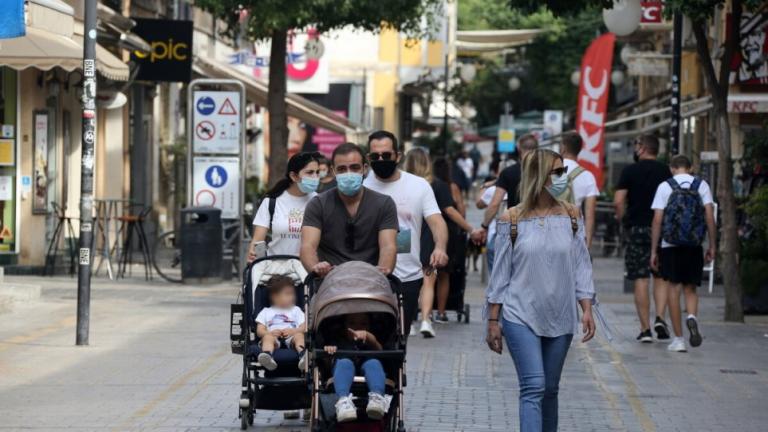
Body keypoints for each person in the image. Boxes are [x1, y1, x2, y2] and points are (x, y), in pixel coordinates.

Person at [485, 149, 596, 432]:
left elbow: (581, 265)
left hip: (560, 315)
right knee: (534, 385)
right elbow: (499, 275)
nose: (563, 178)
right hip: (519, 314)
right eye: (556, 172)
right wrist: (493, 320)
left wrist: (587, 308)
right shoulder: (511, 219)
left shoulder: (572, 215)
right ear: (538, 176)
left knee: (550, 389)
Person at [363, 131, 449, 337]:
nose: (381, 160)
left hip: (408, 277)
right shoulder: (361, 186)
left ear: (398, 156)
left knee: (399, 341)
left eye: (386, 155)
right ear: (368, 158)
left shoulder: (418, 186)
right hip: (369, 276)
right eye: (375, 156)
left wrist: (440, 247)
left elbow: (437, 221)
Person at [300, 143, 398, 277]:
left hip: (371, 283)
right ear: (333, 171)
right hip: (330, 284)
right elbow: (308, 246)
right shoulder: (318, 204)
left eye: (354, 167)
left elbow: (388, 246)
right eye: (342, 169)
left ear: (364, 169)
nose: (348, 173)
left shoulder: (384, 203)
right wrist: (315, 267)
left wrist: (382, 270)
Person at [650, 155, 716, 353]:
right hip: (694, 245)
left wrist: (654, 250)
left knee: (673, 289)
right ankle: (692, 317)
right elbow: (710, 217)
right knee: (690, 289)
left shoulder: (665, 186)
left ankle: (679, 340)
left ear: (672, 168)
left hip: (670, 245)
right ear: (691, 167)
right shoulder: (702, 185)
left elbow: (657, 220)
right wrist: (712, 245)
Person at [614, 135, 672, 343]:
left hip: (637, 228)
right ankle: (660, 318)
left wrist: (625, 221)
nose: (635, 148)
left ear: (643, 148)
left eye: (637, 145)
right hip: (662, 230)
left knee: (640, 277)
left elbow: (619, 201)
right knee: (661, 276)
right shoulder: (666, 171)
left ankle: (645, 329)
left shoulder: (630, 171)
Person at [432, 157, 483, 323]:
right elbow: (459, 211)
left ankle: (424, 310)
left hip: (428, 232)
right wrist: (469, 228)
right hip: (448, 235)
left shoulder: (426, 185)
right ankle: (441, 312)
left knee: (427, 273)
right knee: (444, 275)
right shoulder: (451, 187)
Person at [248, 152, 320, 261]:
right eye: (309, 173)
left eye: (317, 172)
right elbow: (258, 241)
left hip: (307, 271)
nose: (315, 177)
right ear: (294, 176)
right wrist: (259, 263)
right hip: (275, 269)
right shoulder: (271, 202)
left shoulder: (319, 202)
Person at [324, 313, 389, 422]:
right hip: (344, 369)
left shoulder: (371, 339)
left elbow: (381, 352)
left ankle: (377, 398)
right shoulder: (338, 340)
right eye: (351, 323)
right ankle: (343, 401)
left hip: (368, 363)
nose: (357, 327)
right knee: (344, 363)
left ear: (369, 326)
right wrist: (329, 352)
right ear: (344, 326)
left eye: (363, 324)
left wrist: (370, 338)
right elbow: (326, 366)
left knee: (373, 363)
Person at [479, 133, 539, 241]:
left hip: (516, 229)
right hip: (541, 228)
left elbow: (495, 204)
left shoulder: (508, 172)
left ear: (518, 148)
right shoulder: (545, 171)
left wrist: (484, 226)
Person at [255, 275, 306, 371]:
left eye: (293, 294)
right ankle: (268, 356)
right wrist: (268, 333)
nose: (292, 297)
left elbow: (304, 327)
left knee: (299, 335)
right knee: (267, 338)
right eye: (288, 294)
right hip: (273, 337)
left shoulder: (296, 310)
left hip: (292, 337)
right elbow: (259, 330)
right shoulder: (266, 311)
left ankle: (302, 355)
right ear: (275, 297)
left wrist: (294, 331)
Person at [559, 132, 599, 248]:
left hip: (549, 234)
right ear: (579, 150)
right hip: (574, 235)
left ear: (563, 148)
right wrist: (588, 243)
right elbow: (590, 214)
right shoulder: (588, 176)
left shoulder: (548, 171)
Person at [476, 180, 506, 275]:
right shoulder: (533, 182)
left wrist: (484, 186)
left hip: (499, 232)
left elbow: (480, 203)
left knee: (496, 273)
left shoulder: (495, 189)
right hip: (532, 231)